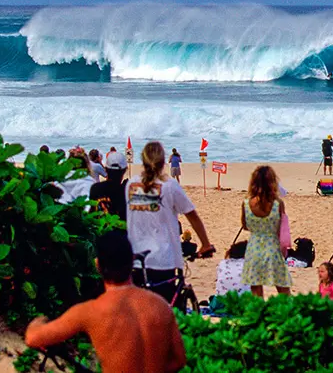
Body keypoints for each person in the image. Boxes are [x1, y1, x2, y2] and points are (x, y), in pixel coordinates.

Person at [25, 230, 186, 373]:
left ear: (98, 265)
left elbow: (33, 338)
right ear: (132, 262)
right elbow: (178, 360)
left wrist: (39, 321)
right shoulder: (160, 306)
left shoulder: (91, 311)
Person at [125, 141, 215, 311]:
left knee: (139, 311)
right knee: (165, 312)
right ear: (163, 161)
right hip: (163, 258)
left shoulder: (131, 185)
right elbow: (192, 216)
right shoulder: (170, 185)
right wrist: (205, 244)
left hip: (136, 258)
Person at [240, 166, 291, 298]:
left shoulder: (246, 203)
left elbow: (245, 226)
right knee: (282, 286)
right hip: (272, 246)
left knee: (256, 288)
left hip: (254, 247)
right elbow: (281, 227)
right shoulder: (277, 204)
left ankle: (259, 315)